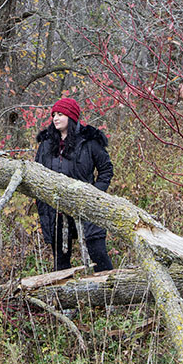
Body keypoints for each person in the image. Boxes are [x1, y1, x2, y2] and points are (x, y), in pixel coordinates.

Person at [34, 97, 114, 272]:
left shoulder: (89, 140)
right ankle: (64, 297)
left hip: (86, 205)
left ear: (71, 116)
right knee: (61, 262)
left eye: (60, 114)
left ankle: (111, 293)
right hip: (56, 208)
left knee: (98, 253)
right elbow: (37, 173)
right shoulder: (46, 143)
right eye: (54, 114)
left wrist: (94, 193)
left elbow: (106, 169)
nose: (55, 118)